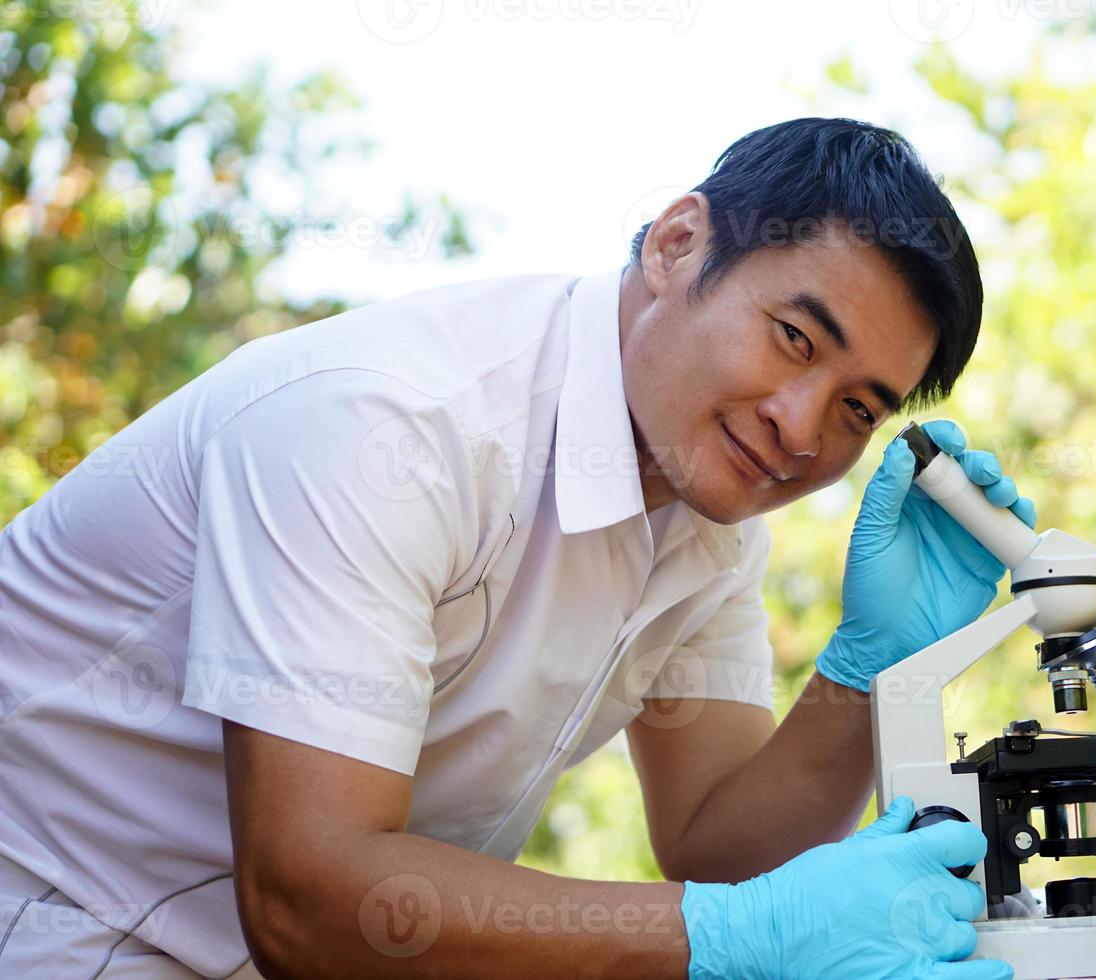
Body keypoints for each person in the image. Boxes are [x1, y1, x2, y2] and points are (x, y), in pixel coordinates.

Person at [0, 117, 1031, 978]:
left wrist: (871, 670)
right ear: (677, 244)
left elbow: (722, 845)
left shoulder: (705, 506)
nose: (802, 430)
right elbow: (307, 896)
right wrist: (732, 938)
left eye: (858, 409)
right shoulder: (391, 427)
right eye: (795, 339)